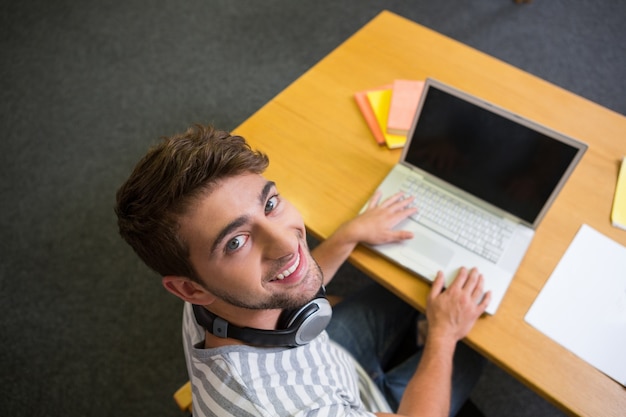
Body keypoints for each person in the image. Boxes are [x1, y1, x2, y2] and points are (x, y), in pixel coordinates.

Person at [115, 124, 491, 417]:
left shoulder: (209, 298)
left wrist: (349, 235)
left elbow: (285, 278)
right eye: (236, 242)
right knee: (477, 345)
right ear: (188, 288)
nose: (287, 242)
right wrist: (445, 335)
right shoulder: (289, 409)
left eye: (271, 203)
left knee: (405, 291)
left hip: (334, 366)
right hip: (349, 402)